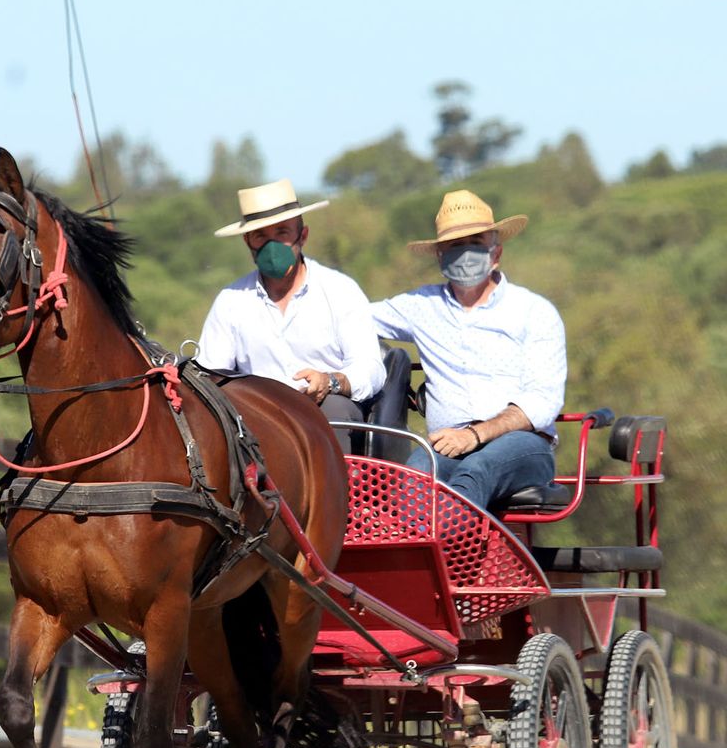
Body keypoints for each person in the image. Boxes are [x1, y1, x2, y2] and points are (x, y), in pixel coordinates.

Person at [370, 190, 566, 513]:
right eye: (455, 245)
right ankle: (417, 544)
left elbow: (542, 402)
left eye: (475, 243)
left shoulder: (534, 311)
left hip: (523, 445)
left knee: (476, 470)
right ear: (440, 257)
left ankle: (449, 544)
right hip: (448, 445)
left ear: (496, 253)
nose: (465, 253)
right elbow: (351, 318)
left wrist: (475, 435)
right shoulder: (421, 307)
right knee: (413, 478)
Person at [197, 179, 385, 453]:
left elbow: (370, 368)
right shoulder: (231, 301)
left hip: (326, 411)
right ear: (247, 241)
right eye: (260, 236)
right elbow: (209, 374)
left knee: (333, 410)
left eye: (282, 232)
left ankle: (335, 482)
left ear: (303, 236)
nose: (271, 245)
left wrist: (330, 381)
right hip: (257, 420)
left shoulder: (340, 290)